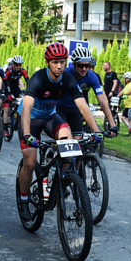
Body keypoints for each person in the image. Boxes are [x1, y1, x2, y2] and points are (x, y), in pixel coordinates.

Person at [17, 42, 103, 221]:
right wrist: (27, 134)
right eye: (55, 62)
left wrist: (96, 131)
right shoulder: (38, 78)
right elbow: (26, 107)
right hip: (30, 120)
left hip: (50, 117)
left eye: (63, 62)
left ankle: (60, 183)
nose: (59, 66)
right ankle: (24, 200)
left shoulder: (68, 79)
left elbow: (82, 105)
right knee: (31, 163)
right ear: (48, 62)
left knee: (69, 147)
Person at [55, 46, 116, 137]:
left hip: (75, 108)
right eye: (80, 65)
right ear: (73, 64)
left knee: (78, 137)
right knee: (64, 135)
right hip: (60, 107)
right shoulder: (65, 74)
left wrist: (112, 125)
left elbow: (102, 102)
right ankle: (53, 149)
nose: (84, 69)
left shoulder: (92, 77)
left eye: (87, 65)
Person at [2, 55, 28, 136]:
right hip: (7, 87)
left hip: (15, 88)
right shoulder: (8, 71)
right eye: (16, 64)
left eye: (20, 65)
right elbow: (5, 82)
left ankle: (18, 117)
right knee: (6, 109)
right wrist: (6, 93)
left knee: (24, 100)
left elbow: (28, 80)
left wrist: (29, 91)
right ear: (13, 64)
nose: (18, 66)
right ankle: (6, 129)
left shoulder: (22, 71)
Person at [119, 72, 131, 137]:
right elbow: (122, 92)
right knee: (123, 118)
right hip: (127, 105)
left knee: (130, 119)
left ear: (128, 79)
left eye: (125, 78)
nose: (124, 79)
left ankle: (130, 133)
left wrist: (126, 94)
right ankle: (130, 129)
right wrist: (117, 96)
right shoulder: (126, 86)